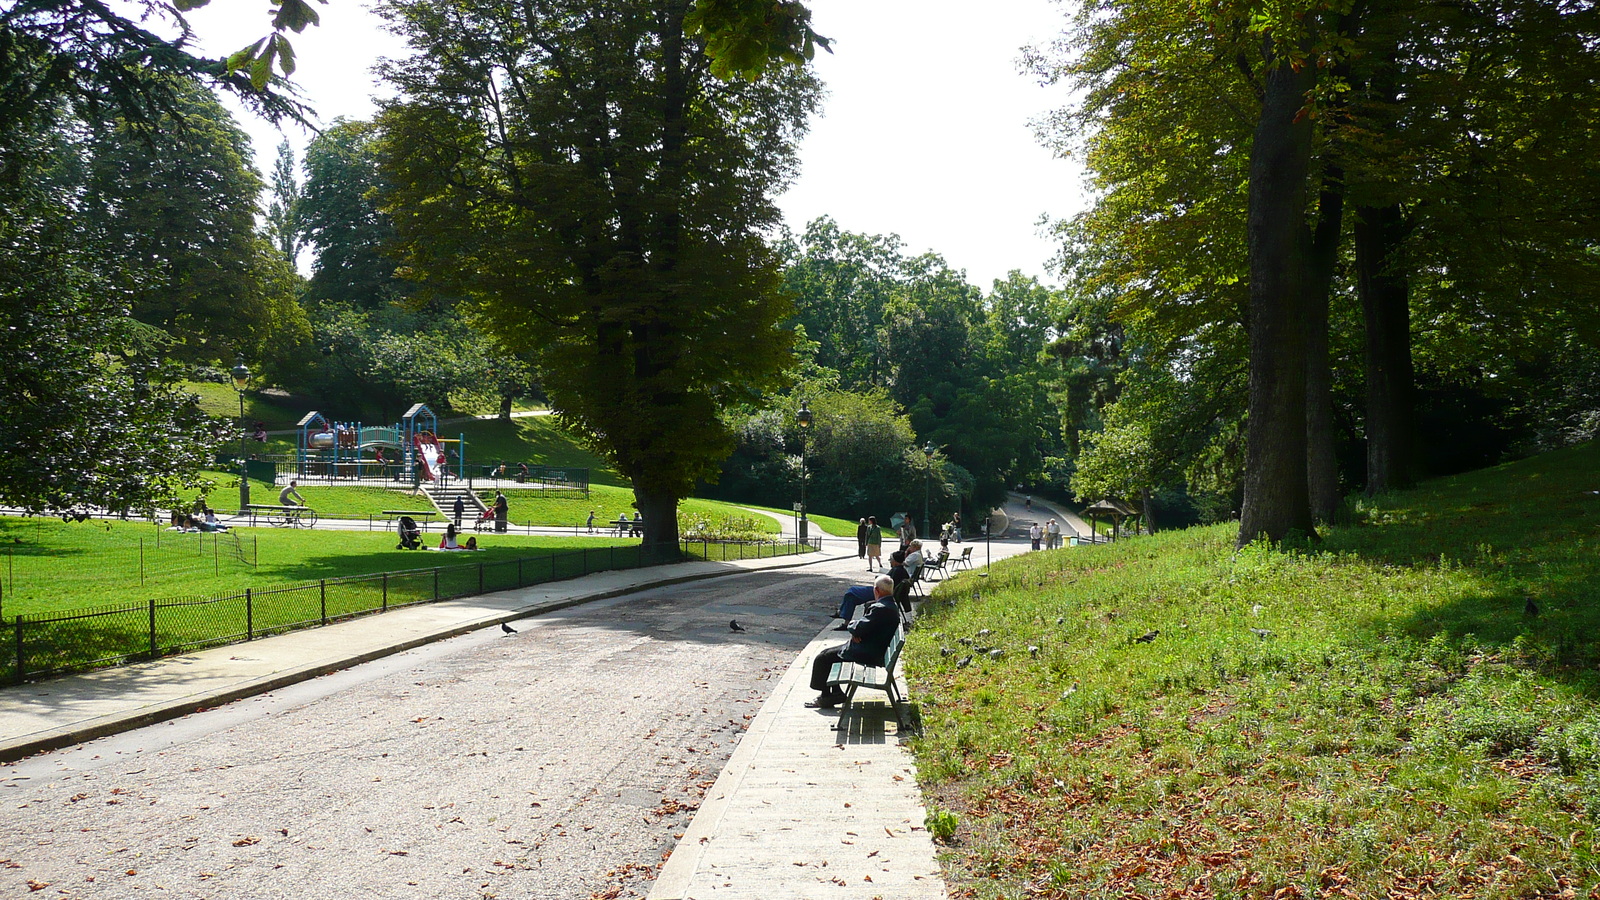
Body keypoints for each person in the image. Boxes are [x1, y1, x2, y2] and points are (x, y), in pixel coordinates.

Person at [807, 575, 900, 710]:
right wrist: (858, 632)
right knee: (827, 654)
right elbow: (864, 627)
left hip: (868, 652)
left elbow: (858, 627)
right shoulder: (889, 605)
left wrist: (853, 626)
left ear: (876, 590)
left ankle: (827, 697)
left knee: (823, 658)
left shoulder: (880, 608)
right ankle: (833, 694)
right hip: (874, 647)